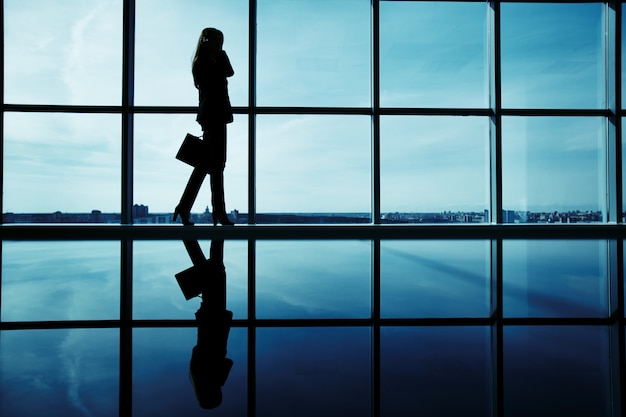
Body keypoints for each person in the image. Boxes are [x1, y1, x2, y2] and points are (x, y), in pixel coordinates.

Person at [174, 27, 234, 226]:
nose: (220, 45)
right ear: (209, 41)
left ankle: (188, 208)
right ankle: (217, 212)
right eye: (218, 41)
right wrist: (219, 55)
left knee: (210, 165)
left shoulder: (210, 60)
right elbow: (223, 76)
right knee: (214, 165)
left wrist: (220, 54)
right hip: (212, 116)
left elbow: (229, 72)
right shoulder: (203, 62)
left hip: (216, 116)